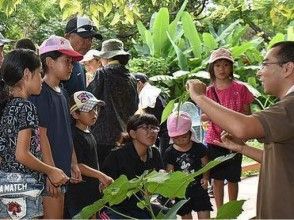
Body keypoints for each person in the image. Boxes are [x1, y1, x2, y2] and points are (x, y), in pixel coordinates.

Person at [186, 41, 294, 219]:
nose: (259, 72)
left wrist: (198, 96)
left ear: (287, 68)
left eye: (265, 64)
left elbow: (243, 127)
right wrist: (242, 148)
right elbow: (279, 159)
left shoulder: (289, 106)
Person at [0, 49, 68, 219]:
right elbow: (22, 155)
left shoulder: (9, 107)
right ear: (27, 74)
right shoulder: (26, 107)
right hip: (24, 187)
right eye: (39, 73)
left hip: (7, 187)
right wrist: (50, 170)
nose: (41, 80)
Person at [29, 35, 83, 218]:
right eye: (67, 61)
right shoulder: (41, 93)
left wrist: (73, 162)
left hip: (60, 170)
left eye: (72, 62)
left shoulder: (63, 92)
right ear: (50, 62)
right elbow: (40, 136)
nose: (72, 66)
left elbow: (67, 131)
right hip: (50, 173)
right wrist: (49, 172)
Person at [201, 48, 254, 209]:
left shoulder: (241, 89)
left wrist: (238, 131)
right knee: (216, 179)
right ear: (212, 69)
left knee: (233, 178)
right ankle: (220, 212)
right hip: (215, 139)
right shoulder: (208, 91)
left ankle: (232, 210)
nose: (222, 69)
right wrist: (215, 116)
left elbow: (247, 114)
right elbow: (203, 116)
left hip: (235, 140)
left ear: (231, 67)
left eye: (225, 65)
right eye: (217, 65)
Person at [101, 114, 164, 219]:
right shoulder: (116, 156)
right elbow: (106, 190)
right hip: (118, 207)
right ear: (133, 133)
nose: (152, 131)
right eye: (146, 127)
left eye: (154, 128)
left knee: (169, 213)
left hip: (144, 204)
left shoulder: (155, 153)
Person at [87, 39, 138, 164]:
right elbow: (135, 106)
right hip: (124, 136)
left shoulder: (102, 73)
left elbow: (90, 99)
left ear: (106, 58)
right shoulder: (131, 78)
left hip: (102, 137)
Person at [64, 91, 113, 218]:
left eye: (95, 109)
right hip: (79, 193)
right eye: (88, 110)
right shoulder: (73, 135)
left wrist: (98, 179)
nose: (94, 113)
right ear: (75, 114)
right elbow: (77, 165)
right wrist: (101, 176)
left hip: (91, 190)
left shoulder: (89, 132)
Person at [164, 111, 212, 219]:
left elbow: (206, 164)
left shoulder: (199, 148)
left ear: (190, 133)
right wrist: (171, 190)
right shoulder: (169, 152)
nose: (180, 140)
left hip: (199, 189)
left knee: (205, 214)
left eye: (184, 137)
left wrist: (205, 178)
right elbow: (169, 172)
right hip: (181, 192)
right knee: (185, 216)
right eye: (176, 138)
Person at [63, 16, 102, 98]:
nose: (87, 43)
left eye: (90, 39)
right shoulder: (56, 67)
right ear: (67, 37)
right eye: (83, 37)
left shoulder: (80, 66)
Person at [134, 73, 169, 156]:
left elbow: (142, 115)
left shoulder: (148, 93)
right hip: (161, 130)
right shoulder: (152, 91)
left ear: (139, 83)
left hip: (164, 132)